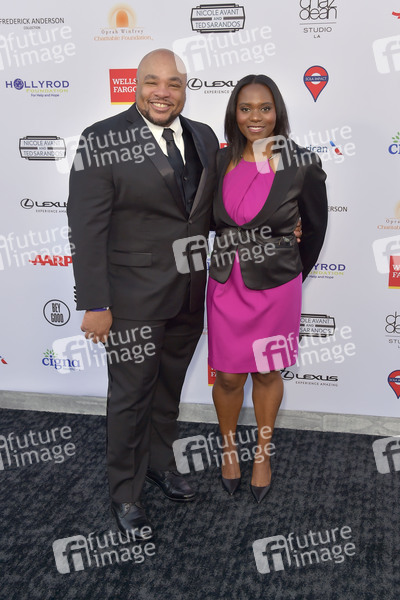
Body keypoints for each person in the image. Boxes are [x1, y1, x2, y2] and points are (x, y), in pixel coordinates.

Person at [67, 49, 219, 538]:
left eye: (174, 83)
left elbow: (206, 211)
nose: (163, 92)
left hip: (189, 292)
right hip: (131, 299)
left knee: (167, 391)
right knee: (131, 398)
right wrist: (95, 303)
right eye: (153, 81)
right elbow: (86, 228)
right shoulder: (102, 138)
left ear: (185, 88)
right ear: (136, 84)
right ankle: (125, 492)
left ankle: (158, 464)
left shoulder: (203, 135)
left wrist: (280, 228)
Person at [206, 74, 328, 503]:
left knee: (266, 372)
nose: (254, 117)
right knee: (228, 376)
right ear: (234, 114)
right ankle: (228, 449)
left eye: (264, 108)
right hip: (226, 283)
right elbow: (204, 218)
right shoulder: (219, 160)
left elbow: (315, 229)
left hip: (277, 287)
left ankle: (262, 454)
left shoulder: (302, 163)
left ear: (278, 112)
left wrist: (292, 272)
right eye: (245, 108)